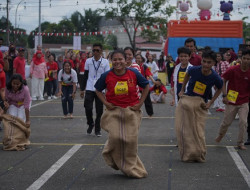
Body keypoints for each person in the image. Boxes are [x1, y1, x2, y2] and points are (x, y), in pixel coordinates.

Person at [95, 49, 149, 178]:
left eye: (120, 59)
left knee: (130, 140)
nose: (118, 62)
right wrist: (106, 103)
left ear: (126, 61)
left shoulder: (134, 73)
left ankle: (130, 166)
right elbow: (97, 89)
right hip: (114, 111)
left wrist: (140, 103)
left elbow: (146, 86)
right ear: (111, 61)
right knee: (115, 137)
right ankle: (110, 153)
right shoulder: (106, 75)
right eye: (115, 59)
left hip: (131, 111)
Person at [176, 50, 223, 162]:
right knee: (184, 130)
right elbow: (187, 75)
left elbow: (220, 88)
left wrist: (211, 102)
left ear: (213, 64)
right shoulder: (194, 70)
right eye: (204, 61)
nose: (206, 65)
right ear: (201, 61)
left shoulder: (215, 77)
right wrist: (182, 90)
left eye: (209, 62)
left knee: (198, 131)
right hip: (188, 100)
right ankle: (187, 154)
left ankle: (200, 153)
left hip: (201, 104)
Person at [215, 49, 250, 150]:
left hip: (244, 101)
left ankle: (240, 142)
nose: (246, 61)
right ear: (240, 59)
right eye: (244, 58)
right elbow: (223, 80)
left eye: (248, 59)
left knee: (243, 122)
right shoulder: (233, 69)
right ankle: (221, 134)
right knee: (227, 122)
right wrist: (224, 95)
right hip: (231, 100)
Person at [80, 43, 110, 136]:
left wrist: (107, 90)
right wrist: (82, 89)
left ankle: (97, 129)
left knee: (99, 110)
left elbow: (107, 77)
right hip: (89, 87)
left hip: (100, 89)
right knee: (87, 107)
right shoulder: (88, 61)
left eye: (97, 50)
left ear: (101, 51)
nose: (95, 52)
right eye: (94, 50)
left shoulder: (105, 62)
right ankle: (90, 123)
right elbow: (85, 76)